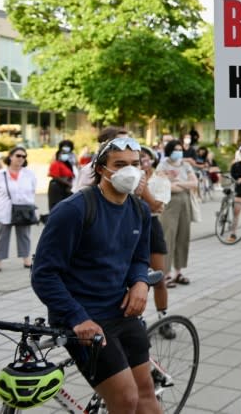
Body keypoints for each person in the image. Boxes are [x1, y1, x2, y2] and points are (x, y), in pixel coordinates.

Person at [31, 137, 160, 413]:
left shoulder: (140, 210)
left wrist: (140, 282)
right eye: (120, 164)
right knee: (126, 399)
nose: (130, 171)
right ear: (101, 169)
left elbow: (139, 257)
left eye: (135, 164)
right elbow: (44, 274)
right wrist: (77, 318)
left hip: (122, 312)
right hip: (83, 318)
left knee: (147, 396)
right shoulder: (73, 210)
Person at [137, 146, 173, 338]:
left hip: (151, 226)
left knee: (159, 277)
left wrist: (143, 190)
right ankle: (137, 323)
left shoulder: (160, 179)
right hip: (129, 227)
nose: (143, 161)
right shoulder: (128, 178)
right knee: (134, 281)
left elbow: (157, 206)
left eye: (145, 157)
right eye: (139, 158)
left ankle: (163, 319)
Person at [157, 139, 197, 288]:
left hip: (185, 203)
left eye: (180, 149)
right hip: (169, 204)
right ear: (169, 150)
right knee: (168, 237)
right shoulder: (163, 165)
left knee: (183, 236)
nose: (179, 151)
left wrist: (177, 183)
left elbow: (194, 183)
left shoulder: (185, 165)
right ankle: (165, 274)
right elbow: (163, 185)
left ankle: (178, 272)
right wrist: (181, 185)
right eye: (176, 149)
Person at [0, 146, 37, 272]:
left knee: (24, 235)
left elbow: (33, 190)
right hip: (4, 210)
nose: (21, 159)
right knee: (1, 237)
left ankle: (26, 259)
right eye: (18, 156)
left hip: (24, 210)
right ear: (10, 157)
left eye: (24, 156)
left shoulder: (29, 174)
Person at [48, 141, 76, 211]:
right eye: (62, 153)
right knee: (57, 207)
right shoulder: (56, 163)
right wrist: (69, 184)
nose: (65, 155)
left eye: (66, 154)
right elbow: (55, 176)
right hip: (57, 187)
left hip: (65, 188)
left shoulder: (67, 164)